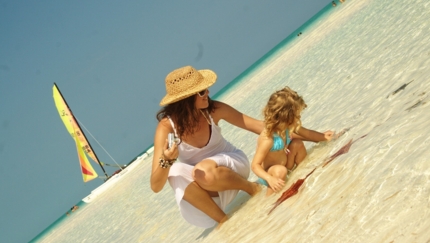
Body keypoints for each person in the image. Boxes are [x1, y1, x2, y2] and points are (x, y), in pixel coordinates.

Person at [150, 66, 263, 228]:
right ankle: (226, 223)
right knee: (175, 172)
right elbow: (155, 186)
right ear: (186, 99)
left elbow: (259, 127)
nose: (208, 93)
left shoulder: (214, 110)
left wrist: (297, 132)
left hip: (234, 168)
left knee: (202, 171)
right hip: (207, 185)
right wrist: (166, 161)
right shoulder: (167, 127)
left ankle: (252, 188)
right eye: (202, 91)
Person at [251, 87, 335, 196]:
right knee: (280, 171)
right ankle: (270, 200)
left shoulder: (288, 125)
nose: (299, 117)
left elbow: (308, 134)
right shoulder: (268, 138)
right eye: (297, 114)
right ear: (286, 116)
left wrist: (324, 137)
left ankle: (305, 173)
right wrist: (270, 179)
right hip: (272, 173)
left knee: (297, 144)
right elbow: (255, 165)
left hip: (286, 165)